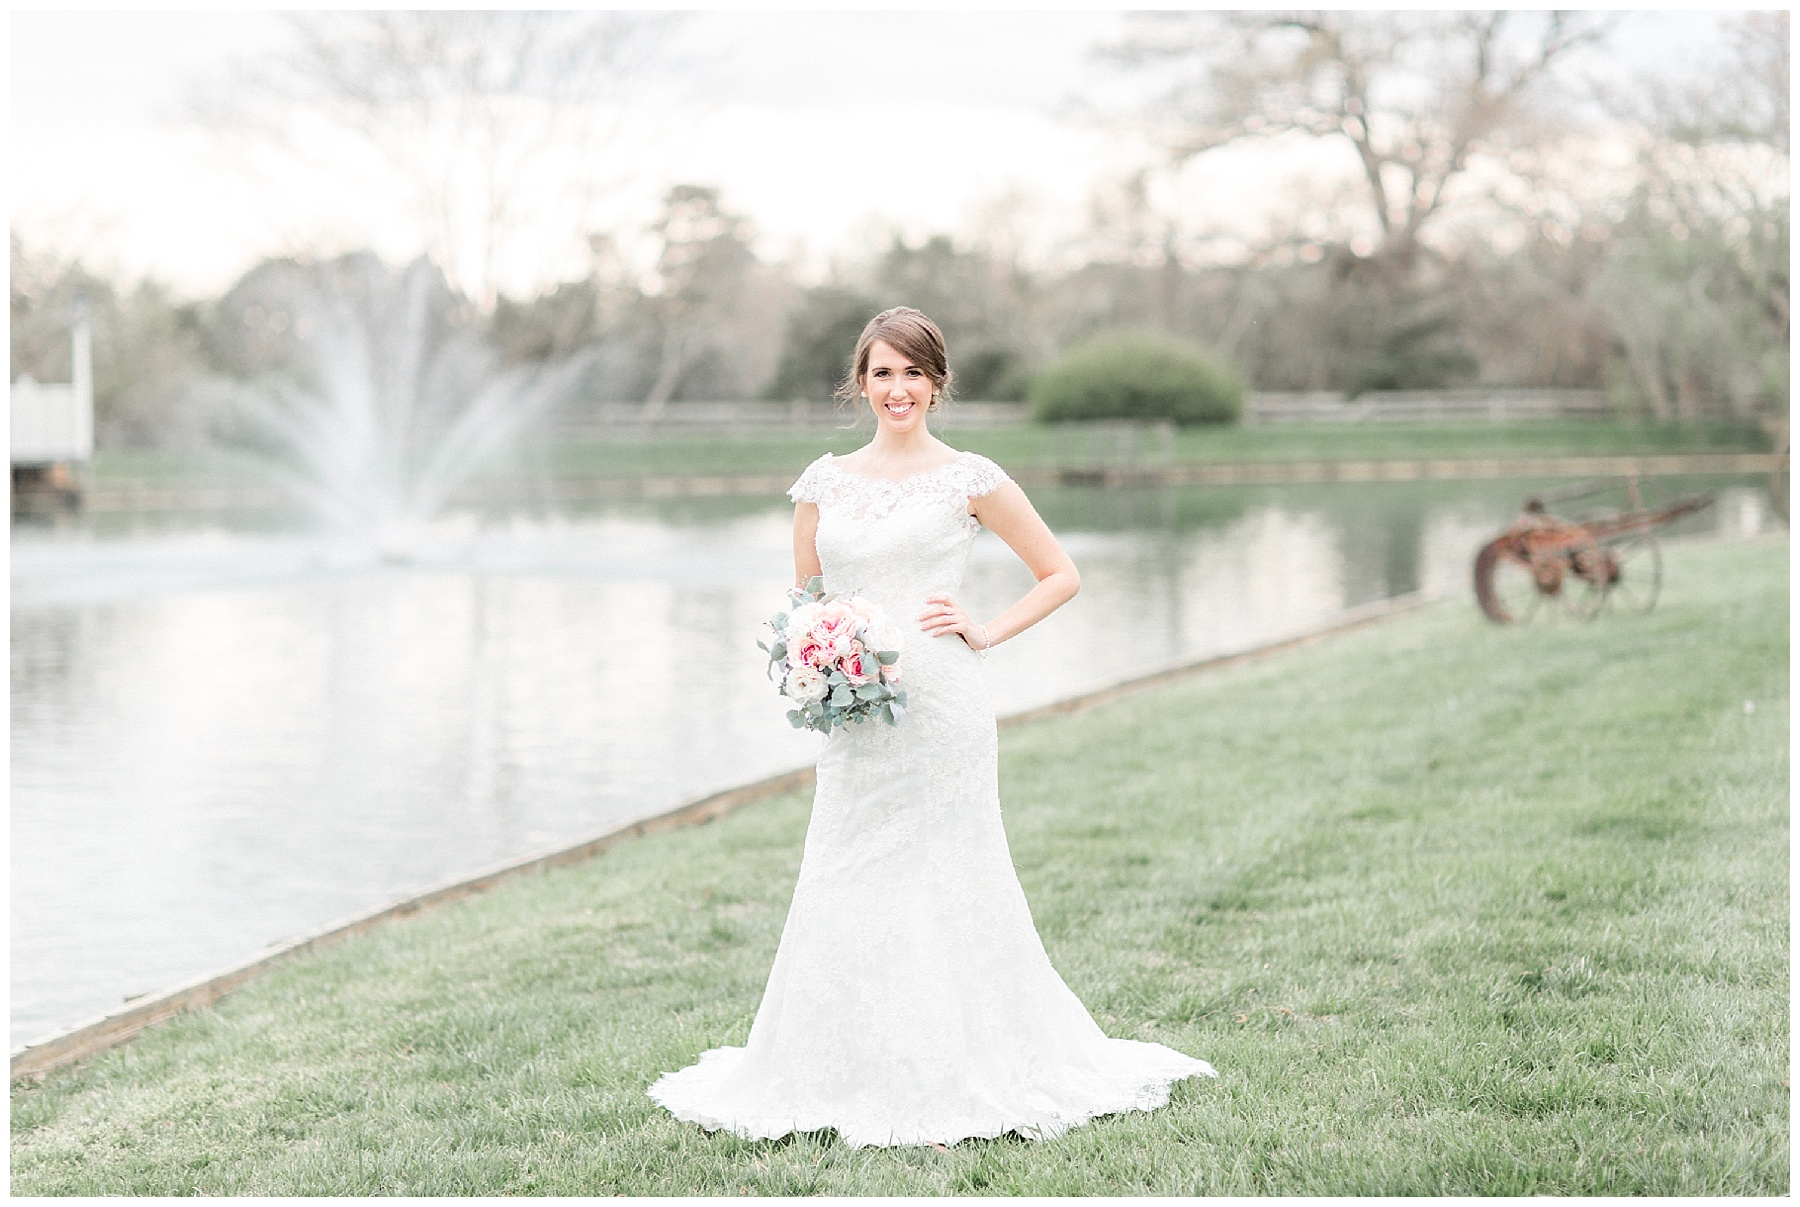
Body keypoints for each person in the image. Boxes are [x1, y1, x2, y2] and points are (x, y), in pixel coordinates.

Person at [649, 307, 1215, 1148]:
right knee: (845, 866)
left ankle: (962, 1060)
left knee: (950, 870)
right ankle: (836, 1064)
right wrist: (820, 657)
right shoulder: (822, 484)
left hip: (944, 706)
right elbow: (808, 601)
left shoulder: (970, 479)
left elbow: (1059, 573)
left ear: (937, 383)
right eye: (883, 372)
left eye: (913, 372)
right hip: (854, 712)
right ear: (861, 382)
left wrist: (984, 629)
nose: (898, 388)